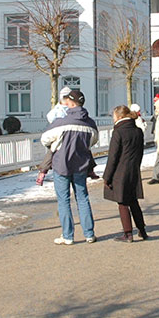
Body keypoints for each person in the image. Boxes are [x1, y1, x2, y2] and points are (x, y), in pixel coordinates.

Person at [40, 89, 97, 244]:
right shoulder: (90, 123)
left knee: (64, 200)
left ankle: (68, 235)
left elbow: (45, 139)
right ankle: (89, 233)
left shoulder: (61, 122)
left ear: (70, 103)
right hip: (81, 164)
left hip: (62, 164)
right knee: (83, 198)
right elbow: (93, 141)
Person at [103, 105, 148, 242]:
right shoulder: (138, 131)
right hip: (133, 170)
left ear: (119, 117)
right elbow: (140, 153)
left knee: (122, 203)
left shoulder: (118, 132)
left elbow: (113, 157)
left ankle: (128, 234)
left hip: (120, 172)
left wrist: (107, 177)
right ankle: (142, 230)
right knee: (133, 201)